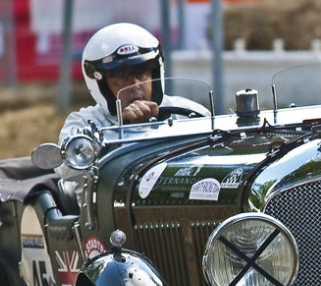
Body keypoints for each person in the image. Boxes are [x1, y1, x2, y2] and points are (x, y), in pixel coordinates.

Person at [57, 22, 209, 186]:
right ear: (100, 82)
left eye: (142, 71)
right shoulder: (84, 123)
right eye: (120, 76)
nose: (135, 84)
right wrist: (124, 134)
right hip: (108, 208)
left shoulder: (189, 113)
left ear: (155, 72)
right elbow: (64, 169)